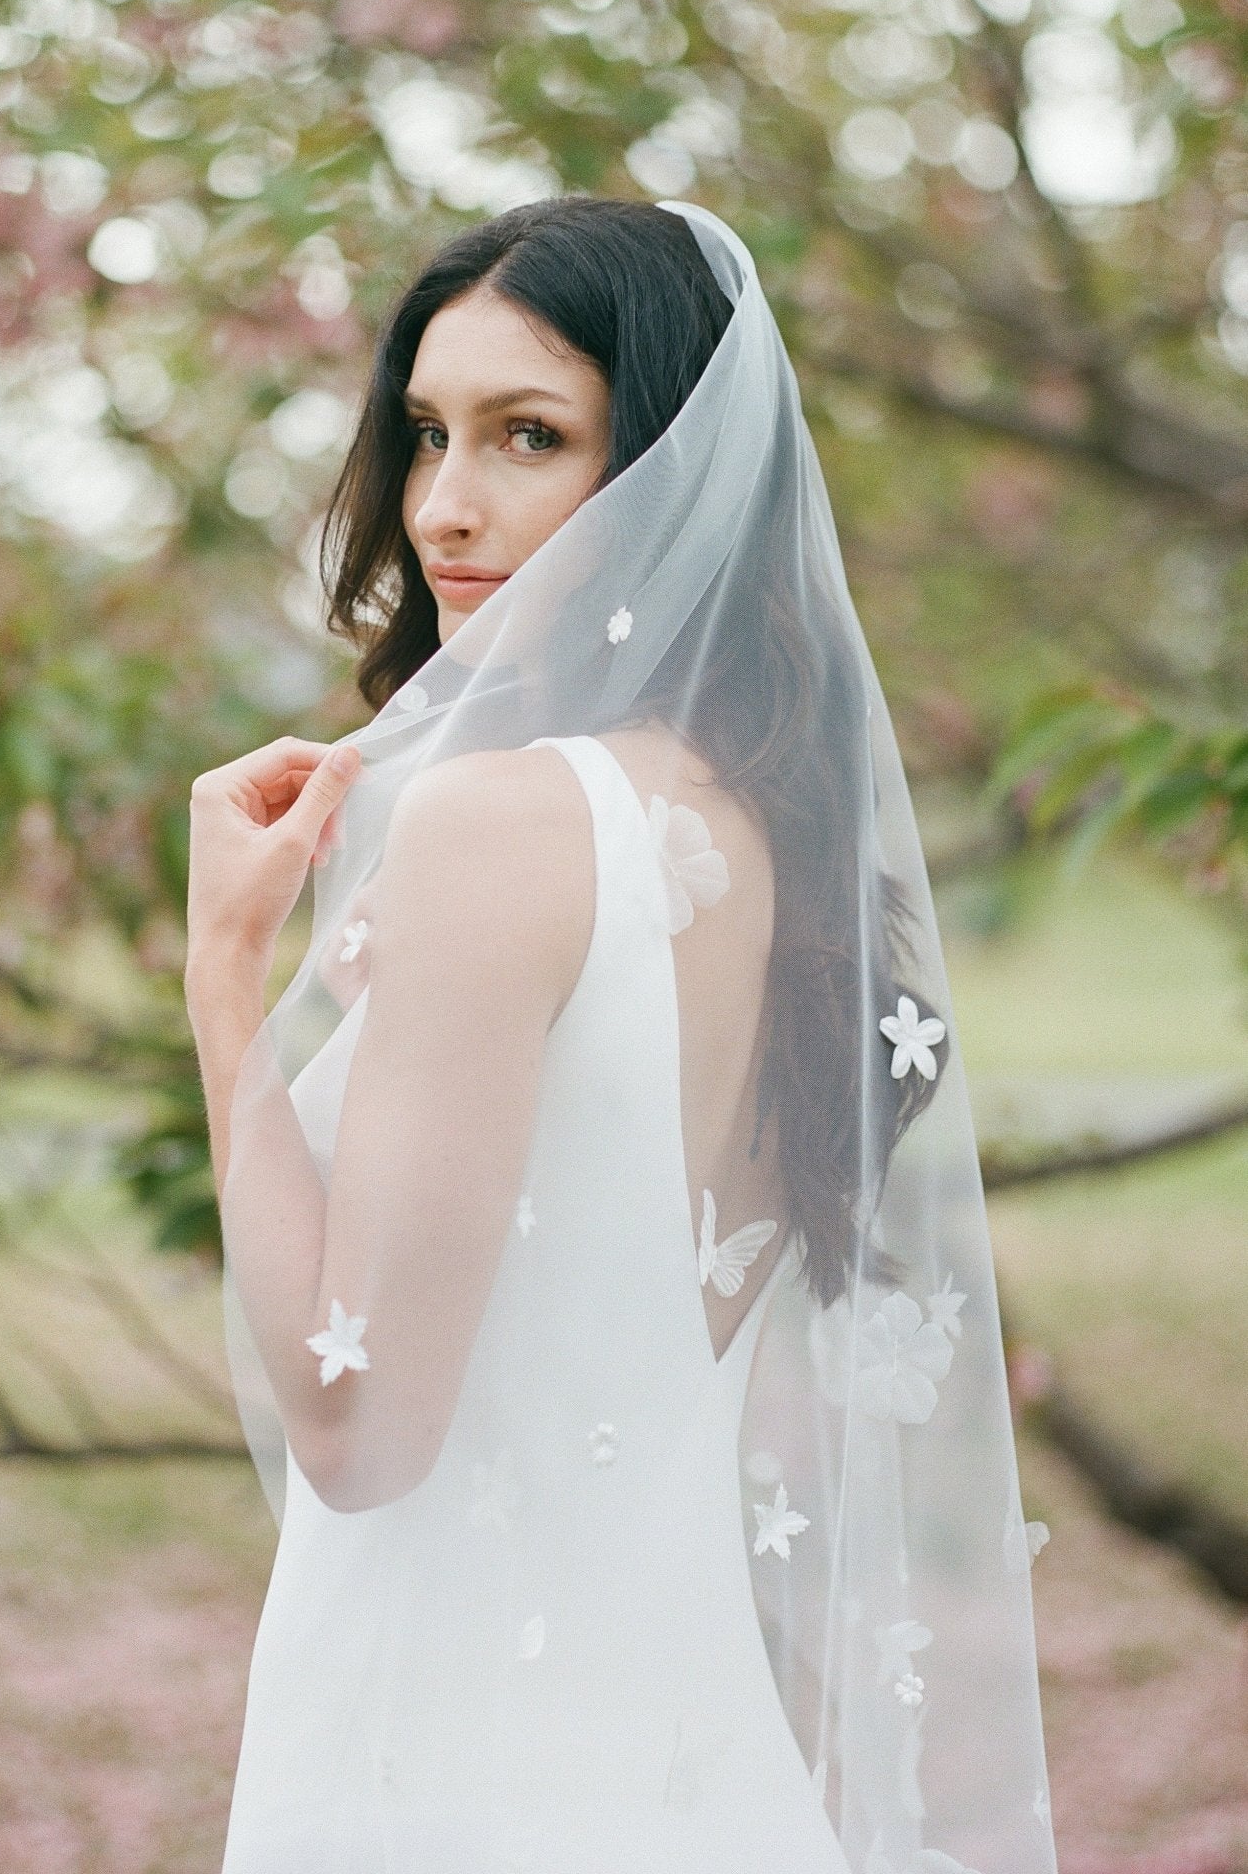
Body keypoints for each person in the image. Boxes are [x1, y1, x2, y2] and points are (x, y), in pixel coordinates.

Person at [185, 197, 1058, 1874]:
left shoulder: (494, 827)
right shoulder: (764, 829)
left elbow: (359, 1433)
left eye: (531, 437)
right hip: (681, 1751)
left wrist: (228, 981)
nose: (445, 506)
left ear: (666, 466)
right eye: (427, 433)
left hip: (461, 1770)